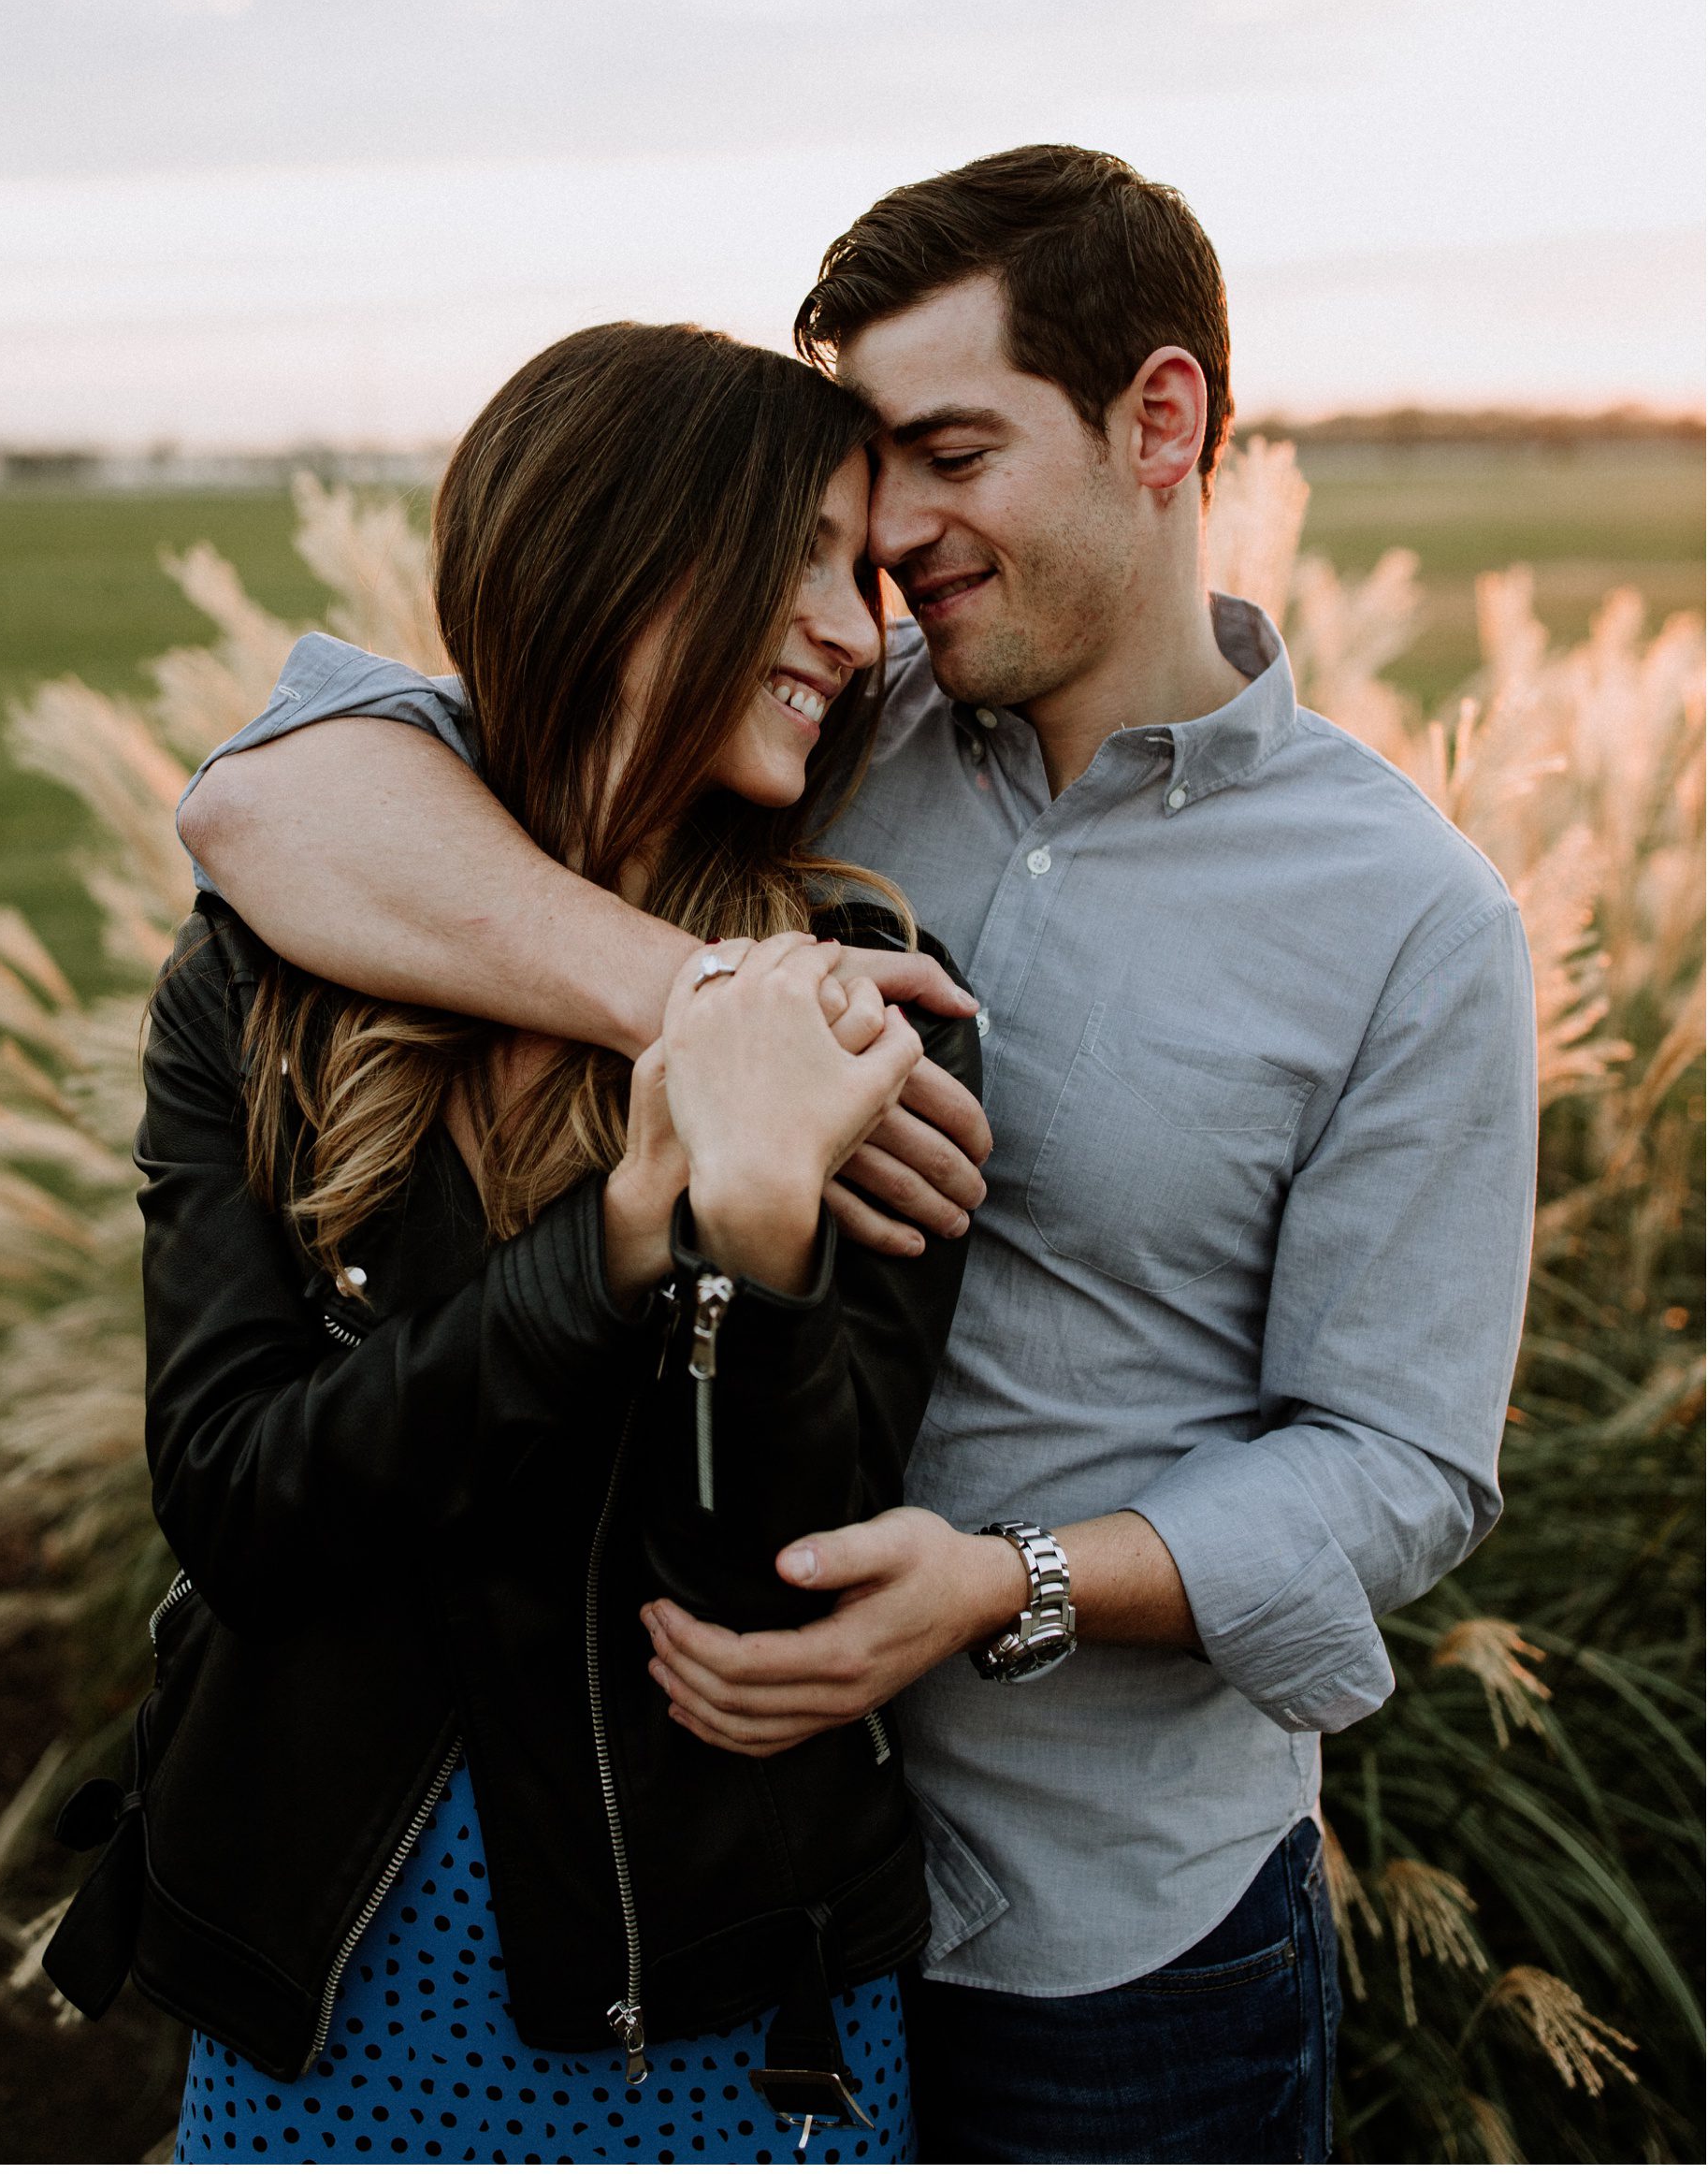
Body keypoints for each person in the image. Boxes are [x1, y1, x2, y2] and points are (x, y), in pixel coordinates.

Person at [181, 145, 1540, 2167]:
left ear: (1161, 422)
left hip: (1107, 1930)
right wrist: (704, 1000)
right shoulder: (805, 721)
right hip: (707, 1887)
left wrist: (1012, 1583)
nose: (894, 536)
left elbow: (1401, 1460)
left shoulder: (1410, 918)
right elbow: (269, 806)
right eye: (872, 471)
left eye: (953, 452)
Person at [44, 323, 989, 2167]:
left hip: (717, 2028)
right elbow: (237, 1496)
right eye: (801, 556)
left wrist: (760, 1231)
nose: (854, 626)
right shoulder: (264, 981)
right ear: (616, 551)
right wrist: (615, 1250)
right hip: (318, 2003)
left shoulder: (869, 1006)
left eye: (863, 574)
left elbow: (768, 1610)